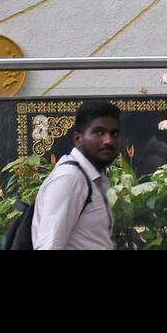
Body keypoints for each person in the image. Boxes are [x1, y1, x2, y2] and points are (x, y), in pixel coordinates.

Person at [31, 101, 121, 250]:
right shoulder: (70, 178)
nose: (108, 140)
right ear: (78, 139)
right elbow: (49, 246)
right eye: (99, 132)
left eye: (114, 133)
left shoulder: (90, 178)